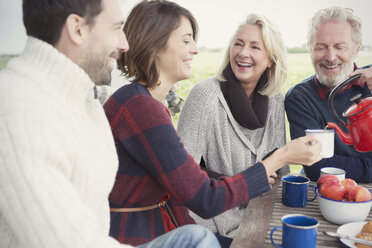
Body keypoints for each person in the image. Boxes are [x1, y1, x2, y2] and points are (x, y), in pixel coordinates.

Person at [0, 0, 221, 247]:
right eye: (116, 28)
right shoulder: (18, 110)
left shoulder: (82, 100)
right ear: (77, 29)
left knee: (196, 238)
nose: (124, 44)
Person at [104, 1, 322, 247]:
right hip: (142, 236)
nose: (196, 49)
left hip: (167, 227)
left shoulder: (145, 104)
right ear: (156, 45)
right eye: (186, 40)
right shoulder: (140, 107)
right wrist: (281, 156)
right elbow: (203, 197)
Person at [177, 13, 289, 237]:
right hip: (212, 225)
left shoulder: (276, 98)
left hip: (260, 218)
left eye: (255, 47)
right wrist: (245, 180)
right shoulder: (205, 96)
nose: (243, 52)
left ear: (270, 60)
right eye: (238, 44)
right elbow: (181, 176)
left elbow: (281, 171)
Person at [285, 6, 372, 183]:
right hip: (327, 192)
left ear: (356, 49)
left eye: (339, 47)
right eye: (321, 47)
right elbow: (316, 165)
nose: (331, 57)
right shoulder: (300, 97)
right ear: (310, 49)